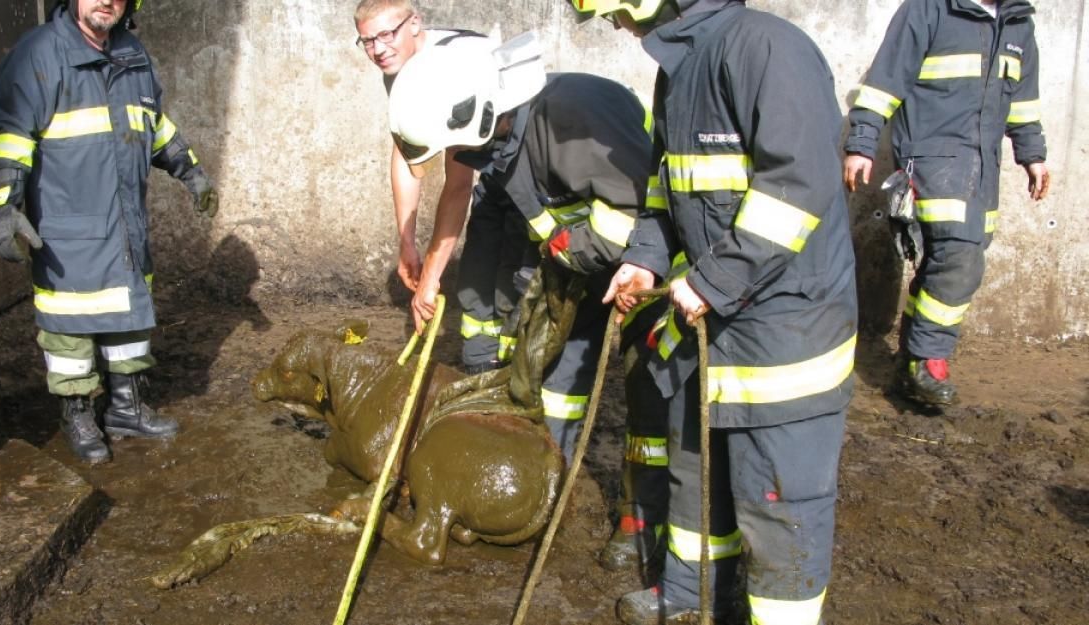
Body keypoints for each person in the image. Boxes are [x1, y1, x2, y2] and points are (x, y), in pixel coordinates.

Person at [567, 1, 859, 624]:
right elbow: (662, 188)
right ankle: (689, 598)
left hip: (784, 336)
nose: (615, 23)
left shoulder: (767, 50)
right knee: (695, 476)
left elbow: (797, 187)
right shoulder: (679, 67)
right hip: (710, 323)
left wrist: (712, 280)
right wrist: (645, 258)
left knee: (779, 505)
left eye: (614, 10)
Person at [388, 31, 674, 570]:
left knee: (650, 396)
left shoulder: (573, 121)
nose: (454, 157)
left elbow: (638, 211)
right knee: (560, 387)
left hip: (649, 270)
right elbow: (500, 222)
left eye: (453, 146)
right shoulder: (500, 142)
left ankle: (641, 515)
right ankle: (546, 488)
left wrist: (573, 250)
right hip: (581, 271)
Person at [0, 0, 218, 464]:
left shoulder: (132, 54)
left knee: (129, 315)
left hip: (125, 223)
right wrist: (3, 207)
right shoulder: (39, 55)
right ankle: (77, 413)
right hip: (67, 229)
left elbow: (152, 124)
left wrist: (190, 171)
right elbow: (10, 134)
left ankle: (127, 408)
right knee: (69, 327)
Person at [843, 0, 1050, 406]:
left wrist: (1034, 155)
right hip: (933, 159)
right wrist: (861, 144)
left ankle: (908, 363)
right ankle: (927, 358)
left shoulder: (1018, 23)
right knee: (960, 256)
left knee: (946, 256)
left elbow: (1023, 101)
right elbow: (886, 82)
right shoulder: (928, 10)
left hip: (983, 168)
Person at [355, 0, 530, 374]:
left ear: (414, 23)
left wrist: (430, 279)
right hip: (490, 162)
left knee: (513, 278)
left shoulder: (447, 69)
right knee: (479, 273)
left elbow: (459, 183)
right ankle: (483, 363)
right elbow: (406, 152)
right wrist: (406, 241)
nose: (378, 50)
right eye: (367, 41)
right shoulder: (399, 66)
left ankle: (515, 373)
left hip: (524, 160)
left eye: (387, 35)